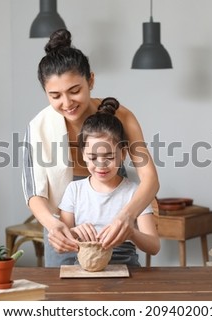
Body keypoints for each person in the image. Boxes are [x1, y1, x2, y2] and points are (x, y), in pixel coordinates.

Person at [22, 29, 159, 267]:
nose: (66, 103)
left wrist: (127, 217)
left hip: (114, 193)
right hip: (64, 211)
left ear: (91, 81)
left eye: (75, 91)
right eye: (55, 95)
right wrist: (55, 226)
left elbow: (150, 179)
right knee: (63, 280)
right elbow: (34, 192)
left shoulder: (122, 117)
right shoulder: (39, 127)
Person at [58, 98, 160, 266]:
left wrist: (131, 233)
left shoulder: (135, 193)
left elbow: (154, 247)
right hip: (86, 269)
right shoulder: (74, 190)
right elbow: (61, 242)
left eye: (110, 157)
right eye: (93, 157)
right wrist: (74, 232)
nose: (101, 164)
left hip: (128, 270)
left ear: (124, 154)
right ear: (83, 154)